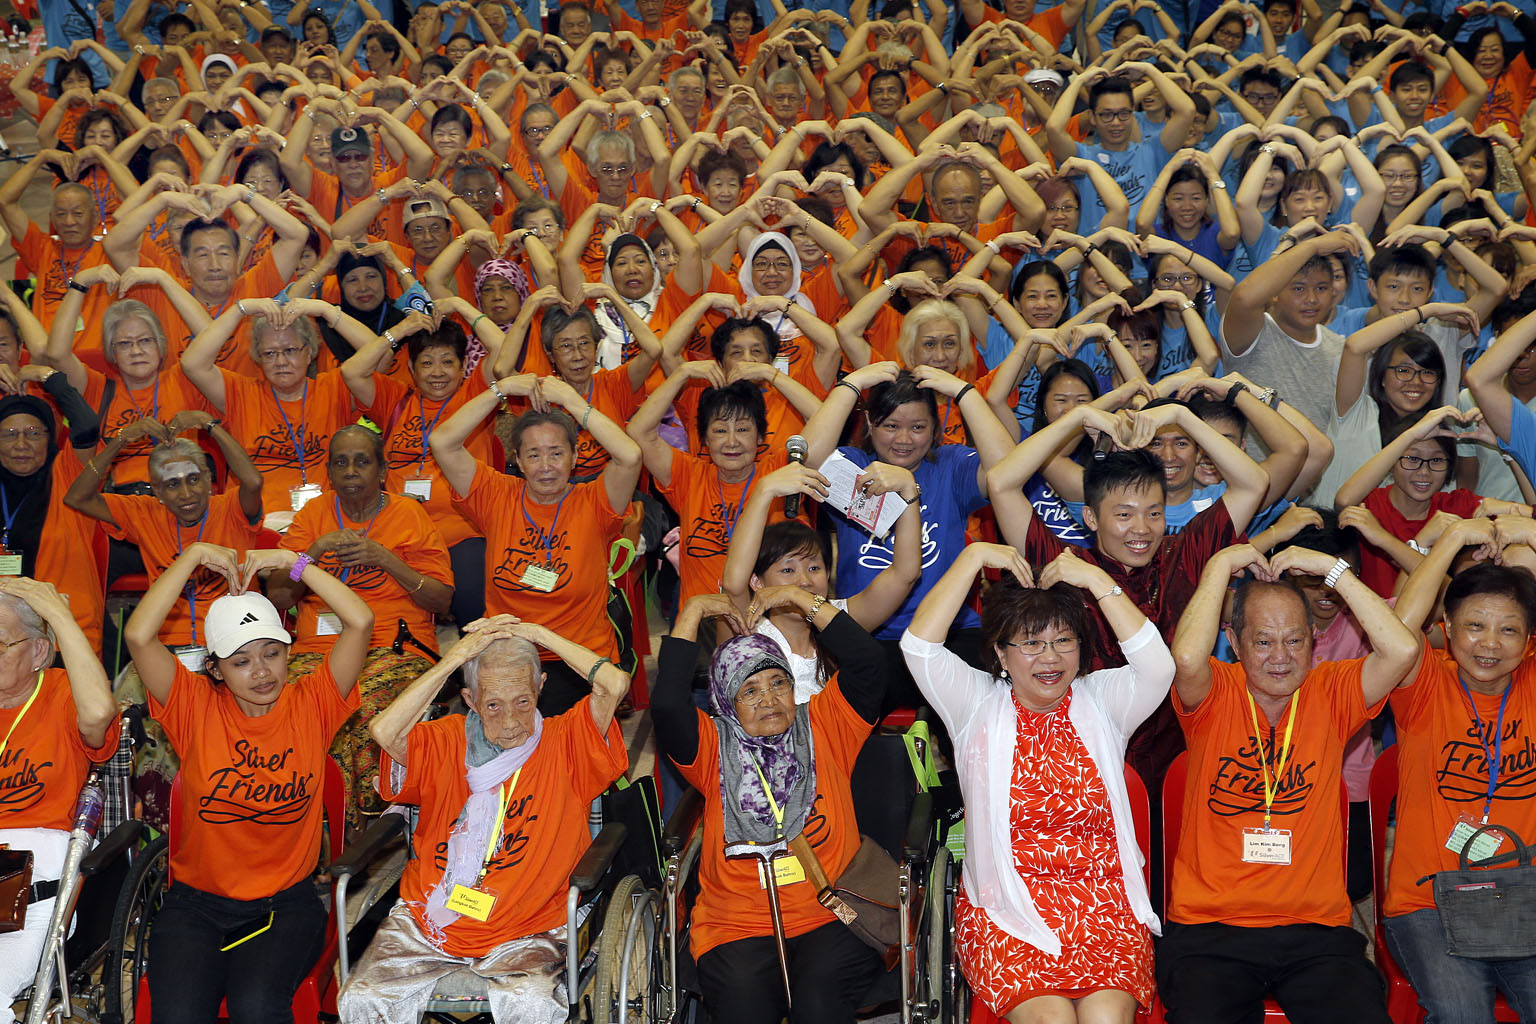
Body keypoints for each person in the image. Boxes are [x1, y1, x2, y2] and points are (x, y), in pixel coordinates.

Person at [903, 542, 1175, 1022]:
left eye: (1064, 640)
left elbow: (1159, 667)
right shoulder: (975, 706)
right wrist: (968, 559)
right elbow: (919, 646)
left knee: (1106, 1020)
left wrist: (1095, 580)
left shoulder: (1102, 702)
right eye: (1031, 643)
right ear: (1001, 655)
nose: (1050, 658)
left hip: (1104, 908)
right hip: (1007, 910)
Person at [1158, 542, 1420, 1022]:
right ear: (1234, 644)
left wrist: (1331, 569)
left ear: (1314, 641)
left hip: (1315, 931)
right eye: (1262, 641)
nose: (1280, 657)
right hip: (1211, 930)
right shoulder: (1216, 691)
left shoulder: (1331, 691)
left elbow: (1403, 648)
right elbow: (1186, 658)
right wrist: (1219, 565)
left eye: (1294, 640)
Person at [123, 542, 372, 1024]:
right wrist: (193, 556)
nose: (261, 672)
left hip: (285, 905)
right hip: (195, 906)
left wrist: (292, 562)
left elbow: (359, 621)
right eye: (240, 661)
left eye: (272, 654)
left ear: (287, 653)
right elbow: (138, 634)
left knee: (256, 1007)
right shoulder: (193, 707)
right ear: (214, 669)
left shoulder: (314, 703)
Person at [339, 614, 629, 1024]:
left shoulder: (569, 740)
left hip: (531, 925)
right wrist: (453, 658)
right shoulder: (445, 739)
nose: (511, 722)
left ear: (540, 689)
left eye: (523, 702)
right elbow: (384, 730)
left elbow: (614, 684)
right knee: (361, 998)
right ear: (470, 699)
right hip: (430, 919)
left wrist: (538, 633)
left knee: (532, 1003)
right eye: (492, 704)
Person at [652, 591, 890, 1024]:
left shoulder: (825, 723)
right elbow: (668, 703)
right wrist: (691, 612)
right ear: (725, 702)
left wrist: (802, 600)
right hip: (735, 924)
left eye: (778, 682)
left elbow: (869, 663)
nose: (768, 699)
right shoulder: (712, 745)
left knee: (819, 1007)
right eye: (750, 690)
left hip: (832, 911)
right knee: (745, 1009)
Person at [1382, 515, 1536, 1022]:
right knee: (1463, 1014)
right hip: (1428, 899)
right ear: (1446, 628)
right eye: (1474, 625)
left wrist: (1528, 536)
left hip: (1522, 893)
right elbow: (1398, 632)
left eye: (1509, 630)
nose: (1489, 644)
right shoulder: (1422, 683)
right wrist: (1449, 541)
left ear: (1529, 641)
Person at [266, 425, 454, 831]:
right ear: (329, 474)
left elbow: (441, 600)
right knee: (284, 705)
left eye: (362, 461)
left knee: (352, 706)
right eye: (341, 462)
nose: (351, 470)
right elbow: (280, 597)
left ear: (383, 470)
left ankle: (346, 830)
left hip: (393, 648)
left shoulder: (408, 514)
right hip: (318, 650)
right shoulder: (314, 515)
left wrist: (385, 558)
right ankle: (293, 823)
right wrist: (310, 554)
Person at [800, 362, 1016, 705]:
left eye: (918, 427)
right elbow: (806, 458)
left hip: (949, 633)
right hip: (869, 634)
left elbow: (1008, 468)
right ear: (870, 424)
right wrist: (853, 383)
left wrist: (965, 392)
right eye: (890, 426)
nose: (903, 439)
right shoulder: (854, 466)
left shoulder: (951, 465)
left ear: (935, 429)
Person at [431, 373, 642, 715]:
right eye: (534, 455)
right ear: (517, 459)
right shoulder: (497, 495)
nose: (546, 467)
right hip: (508, 656)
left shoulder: (596, 502)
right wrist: (501, 390)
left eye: (556, 453)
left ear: (575, 457)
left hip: (577, 659)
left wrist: (574, 403)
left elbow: (630, 456)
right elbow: (442, 441)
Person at [0, 577, 121, 1024]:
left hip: (35, 884)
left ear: (37, 652)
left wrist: (61, 616)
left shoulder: (61, 693)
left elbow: (99, 716)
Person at [722, 460, 923, 700]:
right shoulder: (747, 626)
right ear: (756, 582)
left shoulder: (838, 620)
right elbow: (734, 584)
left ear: (828, 575)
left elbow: (905, 574)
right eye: (788, 570)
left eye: (814, 567)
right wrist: (764, 490)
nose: (804, 581)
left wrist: (909, 493)